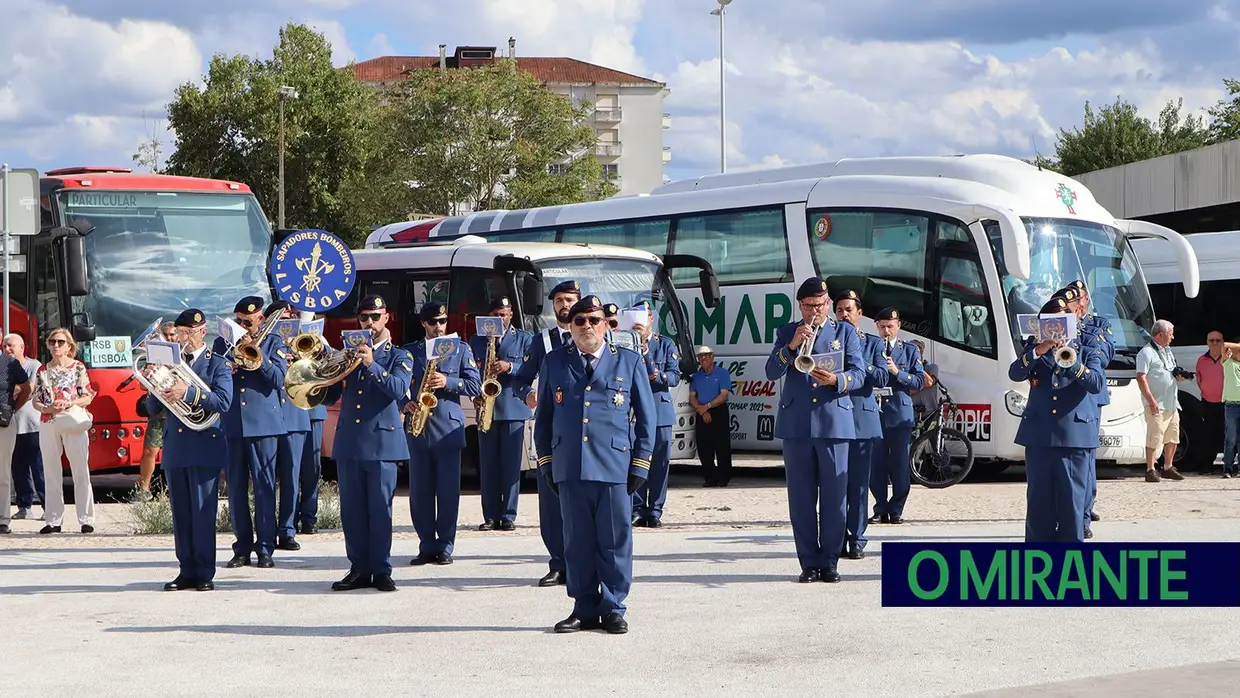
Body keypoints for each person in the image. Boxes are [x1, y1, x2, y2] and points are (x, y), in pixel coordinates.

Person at [533, 294, 655, 634]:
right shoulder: (555, 362)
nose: (587, 326)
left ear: (606, 324)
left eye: (594, 320)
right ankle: (584, 606)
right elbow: (543, 419)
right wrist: (546, 463)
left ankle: (614, 606)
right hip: (570, 466)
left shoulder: (628, 361)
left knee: (615, 540)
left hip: (614, 466)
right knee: (577, 541)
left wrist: (641, 463)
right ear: (570, 326)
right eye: (580, 321)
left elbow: (647, 417)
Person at [765, 277, 865, 583]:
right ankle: (808, 561)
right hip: (797, 425)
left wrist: (837, 381)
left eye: (821, 305)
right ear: (800, 306)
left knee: (835, 498)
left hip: (834, 421)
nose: (816, 312)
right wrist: (792, 346)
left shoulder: (844, 331)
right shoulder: (786, 332)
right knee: (801, 498)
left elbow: (860, 374)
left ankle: (830, 560)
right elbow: (771, 371)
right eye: (810, 307)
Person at [321, 294, 412, 592]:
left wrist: (372, 364)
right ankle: (358, 568)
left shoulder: (400, 356)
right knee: (353, 511)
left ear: (387, 318)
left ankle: (382, 569)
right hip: (350, 442)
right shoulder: (347, 354)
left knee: (379, 508)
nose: (369, 323)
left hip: (382, 444)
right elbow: (331, 397)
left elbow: (398, 390)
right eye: (364, 318)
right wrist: (323, 373)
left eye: (375, 317)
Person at [145, 309, 232, 591]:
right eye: (180, 333)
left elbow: (223, 402)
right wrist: (152, 383)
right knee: (181, 513)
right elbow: (152, 410)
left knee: (202, 511)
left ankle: (205, 571)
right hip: (176, 446)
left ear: (202, 332)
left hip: (204, 444)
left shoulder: (217, 363)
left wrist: (188, 392)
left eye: (189, 333)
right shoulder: (170, 364)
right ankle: (186, 570)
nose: (183, 339)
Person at [1007, 295, 1105, 542]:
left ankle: (1070, 565)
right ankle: (1038, 562)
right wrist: (1039, 350)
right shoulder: (1034, 348)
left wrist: (1070, 359)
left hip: (1074, 437)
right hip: (1039, 435)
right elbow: (1015, 372)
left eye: (1062, 321)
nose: (1056, 327)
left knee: (1071, 504)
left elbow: (1096, 383)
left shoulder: (1087, 345)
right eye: (1051, 322)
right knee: (1038, 504)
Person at [513, 279, 581, 587]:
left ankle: (582, 561)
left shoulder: (593, 335)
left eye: (569, 299)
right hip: (551, 431)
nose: (564, 305)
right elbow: (520, 379)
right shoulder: (542, 341)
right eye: (559, 301)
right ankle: (558, 562)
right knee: (551, 500)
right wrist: (527, 393)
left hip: (585, 432)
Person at [213, 296, 288, 569]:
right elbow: (214, 377)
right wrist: (227, 367)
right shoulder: (222, 343)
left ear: (260, 320)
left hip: (264, 425)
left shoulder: (274, 342)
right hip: (233, 423)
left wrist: (259, 356)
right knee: (236, 490)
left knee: (265, 488)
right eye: (239, 321)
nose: (243, 326)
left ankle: (266, 547)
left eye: (248, 322)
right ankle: (242, 547)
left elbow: (279, 380)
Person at [405, 301, 481, 565]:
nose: (439, 327)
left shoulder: (460, 349)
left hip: (448, 427)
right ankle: (427, 544)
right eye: (433, 322)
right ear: (423, 324)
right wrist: (405, 403)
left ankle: (445, 546)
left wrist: (447, 382)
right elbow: (397, 387)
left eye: (443, 321)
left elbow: (475, 385)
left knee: (448, 492)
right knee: (420, 492)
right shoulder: (410, 351)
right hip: (418, 427)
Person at [469, 296, 533, 531]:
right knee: (488, 467)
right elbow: (471, 372)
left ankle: (508, 515)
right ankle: (490, 515)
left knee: (510, 466)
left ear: (511, 315)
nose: (500, 318)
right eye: (496, 314)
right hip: (486, 408)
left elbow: (530, 369)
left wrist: (510, 367)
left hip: (513, 408)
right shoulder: (477, 340)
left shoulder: (524, 339)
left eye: (504, 314)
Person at [833, 289, 887, 559]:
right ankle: (836, 536)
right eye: (839, 310)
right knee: (833, 484)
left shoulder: (873, 343)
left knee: (858, 484)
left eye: (849, 310)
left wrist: (859, 362)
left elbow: (881, 378)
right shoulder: (826, 342)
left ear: (859, 314)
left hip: (861, 420)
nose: (844, 314)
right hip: (833, 421)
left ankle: (857, 537)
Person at [31, 328, 96, 535]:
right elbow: (36, 400)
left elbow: (88, 396)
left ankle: (86, 519)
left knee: (80, 469)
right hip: (49, 421)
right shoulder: (42, 370)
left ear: (69, 346)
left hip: (73, 419)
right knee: (50, 471)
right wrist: (47, 408)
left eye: (60, 342)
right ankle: (53, 519)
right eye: (52, 342)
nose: (56, 346)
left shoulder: (78, 368)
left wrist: (68, 402)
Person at [868, 308, 926, 525]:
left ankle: (897, 509)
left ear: (898, 326)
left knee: (900, 464)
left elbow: (920, 381)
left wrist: (897, 372)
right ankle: (880, 507)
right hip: (876, 412)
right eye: (882, 326)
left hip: (900, 414)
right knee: (877, 464)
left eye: (890, 326)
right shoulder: (870, 347)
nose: (886, 331)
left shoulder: (909, 350)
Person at [630, 301, 681, 527]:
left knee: (660, 463)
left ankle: (655, 510)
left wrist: (647, 355)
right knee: (636, 458)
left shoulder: (665, 344)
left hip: (659, 409)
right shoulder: (624, 343)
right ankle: (637, 508)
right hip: (633, 411)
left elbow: (673, 377)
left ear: (651, 319)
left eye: (645, 317)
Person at [267, 301, 308, 551]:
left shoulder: (303, 340)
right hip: (270, 417)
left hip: (294, 415)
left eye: (292, 315)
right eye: (283, 316)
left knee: (292, 478)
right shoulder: (266, 342)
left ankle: (288, 530)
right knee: (267, 479)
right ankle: (267, 530)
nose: (289, 318)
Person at [1135, 319, 1188, 482]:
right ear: (1160, 334)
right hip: (1157, 403)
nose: (1172, 337)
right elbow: (1141, 377)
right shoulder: (1146, 353)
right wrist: (1150, 400)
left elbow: (1169, 371)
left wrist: (1178, 376)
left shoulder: (1168, 351)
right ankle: (1150, 469)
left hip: (1171, 402)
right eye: (1170, 334)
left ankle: (1168, 467)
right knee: (1154, 436)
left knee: (1173, 436)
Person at [135, 322, 178, 500]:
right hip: (159, 412)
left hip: (177, 411)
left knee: (176, 452)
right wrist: (150, 373)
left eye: (172, 335)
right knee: (149, 452)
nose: (169, 338)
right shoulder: (153, 359)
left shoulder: (183, 356)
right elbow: (141, 385)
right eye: (165, 335)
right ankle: (143, 491)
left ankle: (173, 490)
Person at [3, 333, 43, 519]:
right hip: (12, 426)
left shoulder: (33, 365)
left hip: (32, 425)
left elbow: (30, 388)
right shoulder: (6, 366)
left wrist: (11, 390)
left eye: (11, 346)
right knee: (17, 468)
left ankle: (46, 505)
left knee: (38, 467)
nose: (8, 349)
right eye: (5, 346)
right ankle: (24, 506)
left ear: (22, 347)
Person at [689, 346, 733, 487]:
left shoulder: (722, 373)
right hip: (702, 411)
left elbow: (724, 394)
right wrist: (702, 411)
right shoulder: (696, 377)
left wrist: (707, 407)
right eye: (701, 356)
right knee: (704, 447)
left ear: (712, 357)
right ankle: (710, 477)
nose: (703, 359)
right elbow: (692, 397)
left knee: (722, 446)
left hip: (718, 410)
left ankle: (724, 477)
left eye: (706, 355)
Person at [0, 347, 33, 534]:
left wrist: (13, 408)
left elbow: (27, 387)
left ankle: (2, 519)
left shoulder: (10, 363)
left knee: (2, 472)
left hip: (2, 423)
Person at [1196, 330, 1227, 471]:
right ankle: (1207, 465)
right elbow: (1199, 379)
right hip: (1208, 402)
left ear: (1223, 342)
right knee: (1208, 435)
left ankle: (1229, 464)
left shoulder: (1228, 359)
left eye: (1218, 340)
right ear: (1207, 342)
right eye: (1211, 340)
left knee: (1229, 435)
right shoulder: (1201, 360)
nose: (1215, 343)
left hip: (1226, 403)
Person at [1219, 339, 1240, 477]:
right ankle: (1227, 467)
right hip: (1231, 405)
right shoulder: (1228, 363)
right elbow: (1224, 345)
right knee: (1230, 439)